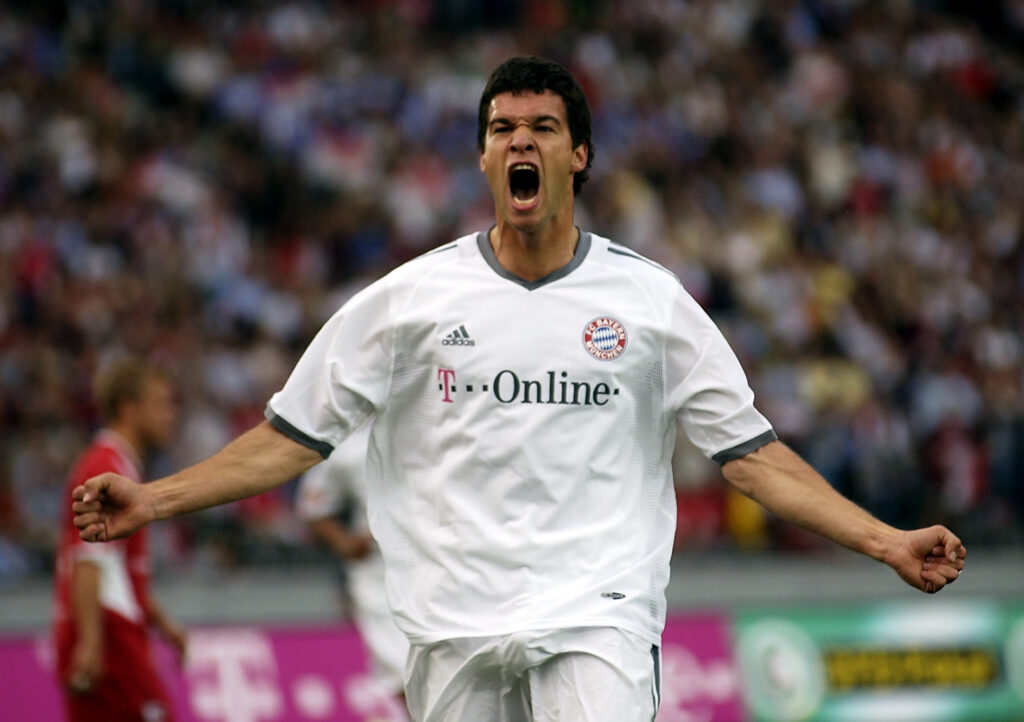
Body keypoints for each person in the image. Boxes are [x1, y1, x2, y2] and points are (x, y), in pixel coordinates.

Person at [72, 56, 965, 721]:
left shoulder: (648, 302)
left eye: (540, 127)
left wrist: (883, 540)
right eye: (502, 130)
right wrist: (155, 499)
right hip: (453, 620)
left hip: (596, 614)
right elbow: (289, 438)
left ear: (577, 155)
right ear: (484, 160)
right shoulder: (409, 302)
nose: (520, 142)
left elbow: (753, 458)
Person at [54, 358, 187, 721]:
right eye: (161, 403)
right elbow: (87, 560)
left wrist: (162, 623)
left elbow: (120, 567)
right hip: (109, 636)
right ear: (128, 409)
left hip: (109, 632)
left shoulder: (118, 464)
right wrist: (91, 643)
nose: (171, 414)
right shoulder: (105, 467)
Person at [295, 421, 410, 718]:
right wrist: (344, 543)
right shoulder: (350, 444)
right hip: (378, 577)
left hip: (437, 567)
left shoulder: (429, 424)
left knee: (439, 673)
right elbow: (312, 505)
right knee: (402, 676)